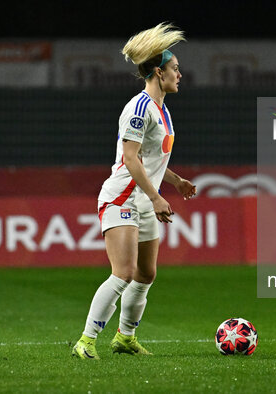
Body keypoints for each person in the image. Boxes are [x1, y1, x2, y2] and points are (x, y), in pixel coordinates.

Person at [72, 22, 196, 359]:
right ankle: (86, 340)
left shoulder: (162, 110)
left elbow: (149, 160)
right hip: (122, 197)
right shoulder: (139, 108)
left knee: (146, 273)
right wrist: (156, 197)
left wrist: (175, 181)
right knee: (123, 272)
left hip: (144, 197)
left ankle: (125, 338)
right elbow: (129, 159)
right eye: (174, 69)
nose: (179, 74)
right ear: (158, 72)